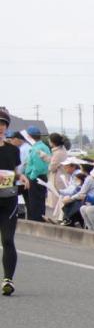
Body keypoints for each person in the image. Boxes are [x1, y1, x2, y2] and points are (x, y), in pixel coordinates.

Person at [0, 109, 20, 296]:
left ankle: (8, 280)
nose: (0, 127)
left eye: (3, 124)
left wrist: (25, 180)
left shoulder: (13, 150)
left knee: (7, 239)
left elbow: (18, 172)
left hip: (8, 199)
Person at [21, 127, 51, 222]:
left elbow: (38, 166)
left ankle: (36, 220)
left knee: (35, 201)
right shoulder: (44, 146)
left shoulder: (37, 148)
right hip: (41, 177)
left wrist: (31, 176)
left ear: (29, 137)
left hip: (36, 177)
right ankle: (39, 219)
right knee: (39, 200)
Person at [46, 133, 69, 223]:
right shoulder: (60, 150)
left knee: (58, 199)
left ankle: (59, 219)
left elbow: (52, 167)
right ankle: (59, 218)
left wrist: (48, 161)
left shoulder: (58, 153)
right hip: (61, 177)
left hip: (58, 178)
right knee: (60, 198)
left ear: (53, 142)